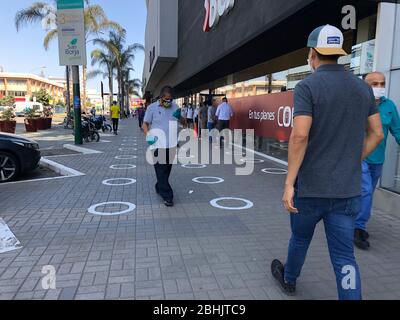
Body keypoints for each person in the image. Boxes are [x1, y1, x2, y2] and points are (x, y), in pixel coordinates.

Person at [271, 25, 384, 300]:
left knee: (300, 239)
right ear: (339, 54)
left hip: (310, 189)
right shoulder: (361, 88)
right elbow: (377, 133)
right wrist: (352, 159)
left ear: (312, 54)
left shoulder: (307, 87)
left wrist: (288, 184)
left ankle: (289, 279)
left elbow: (299, 135)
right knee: (344, 256)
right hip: (347, 190)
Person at [354, 72, 400, 250]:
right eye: (374, 84)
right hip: (359, 156)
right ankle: (358, 228)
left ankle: (353, 221)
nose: (379, 87)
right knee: (365, 190)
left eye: (382, 83)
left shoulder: (389, 106)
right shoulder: (357, 103)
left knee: (367, 192)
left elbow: (397, 130)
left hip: (378, 159)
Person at [143, 86, 183, 207]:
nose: (168, 102)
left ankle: (159, 186)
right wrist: (149, 137)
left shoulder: (175, 107)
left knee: (166, 170)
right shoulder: (152, 108)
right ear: (161, 97)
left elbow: (180, 121)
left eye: (170, 99)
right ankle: (168, 196)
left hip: (171, 144)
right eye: (166, 99)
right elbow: (144, 124)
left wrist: (182, 118)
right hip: (157, 144)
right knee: (160, 169)